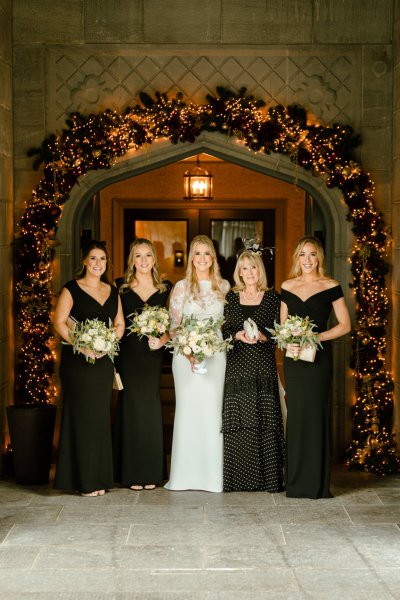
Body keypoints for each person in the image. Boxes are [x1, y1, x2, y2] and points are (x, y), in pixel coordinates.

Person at [280, 236, 351, 499]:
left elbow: (345, 325)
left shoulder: (331, 285)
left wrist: (316, 337)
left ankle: (319, 484)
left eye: (312, 254)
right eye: (302, 255)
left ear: (319, 257)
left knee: (316, 415)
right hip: (295, 361)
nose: (307, 260)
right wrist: (290, 345)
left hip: (319, 360)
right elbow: (282, 327)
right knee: (297, 415)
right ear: (296, 258)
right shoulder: (287, 286)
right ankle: (296, 482)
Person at [54, 240, 125, 497]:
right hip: (78, 364)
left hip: (102, 363)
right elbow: (60, 322)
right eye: (93, 259)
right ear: (84, 261)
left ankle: (100, 478)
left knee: (99, 420)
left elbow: (119, 324)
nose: (98, 264)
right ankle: (84, 481)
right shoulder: (72, 288)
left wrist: (108, 342)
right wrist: (81, 346)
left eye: (102, 259)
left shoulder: (112, 290)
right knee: (82, 419)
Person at [164, 235, 230, 492]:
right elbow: (173, 326)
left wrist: (207, 349)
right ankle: (183, 476)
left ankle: (212, 478)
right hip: (185, 357)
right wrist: (190, 352)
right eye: (197, 253)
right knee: (188, 413)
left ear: (213, 257)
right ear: (191, 258)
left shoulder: (224, 287)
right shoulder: (181, 286)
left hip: (216, 357)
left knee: (212, 414)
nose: (202, 258)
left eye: (207, 253)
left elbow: (228, 323)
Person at [222, 249, 285, 492]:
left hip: (263, 366)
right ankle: (238, 480)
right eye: (244, 268)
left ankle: (268, 480)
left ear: (261, 270)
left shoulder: (273, 298)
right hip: (237, 367)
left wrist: (263, 336)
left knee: (264, 419)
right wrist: (236, 335)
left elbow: (281, 335)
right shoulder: (231, 297)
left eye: (254, 267)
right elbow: (222, 333)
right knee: (239, 419)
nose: (249, 272)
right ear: (239, 272)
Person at [113, 239, 172, 491]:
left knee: (150, 407)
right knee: (130, 407)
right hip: (128, 355)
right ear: (132, 260)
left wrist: (162, 341)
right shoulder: (120, 287)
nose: (144, 261)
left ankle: (151, 472)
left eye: (148, 255)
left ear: (154, 259)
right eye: (139, 256)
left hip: (152, 355)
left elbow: (173, 326)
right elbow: (115, 323)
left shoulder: (164, 289)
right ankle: (130, 473)